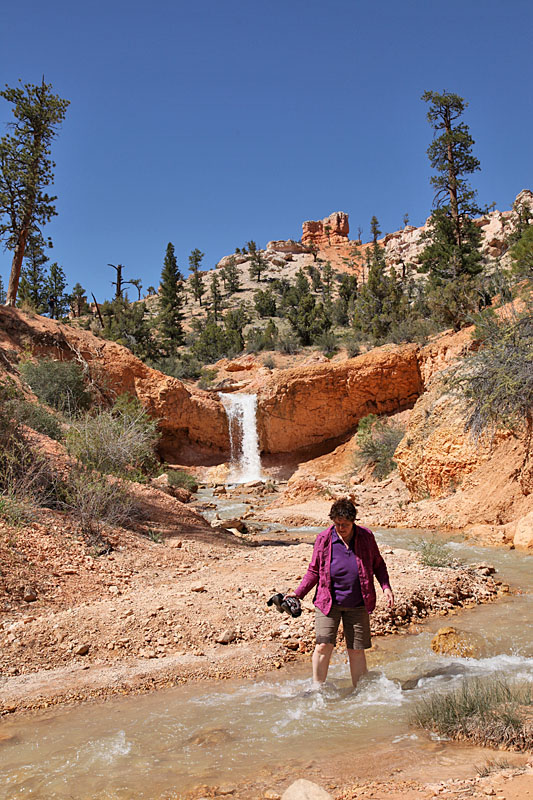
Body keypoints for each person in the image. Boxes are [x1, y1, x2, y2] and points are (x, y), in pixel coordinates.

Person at [286, 498, 394, 688]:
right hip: (328, 602)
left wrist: (386, 586)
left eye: (345, 524)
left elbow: (378, 564)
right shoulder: (324, 538)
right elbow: (313, 571)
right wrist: (298, 594)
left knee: (356, 650)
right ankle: (317, 690)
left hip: (359, 602)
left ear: (353, 521)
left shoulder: (366, 537)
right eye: (337, 524)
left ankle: (359, 693)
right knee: (323, 645)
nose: (341, 528)